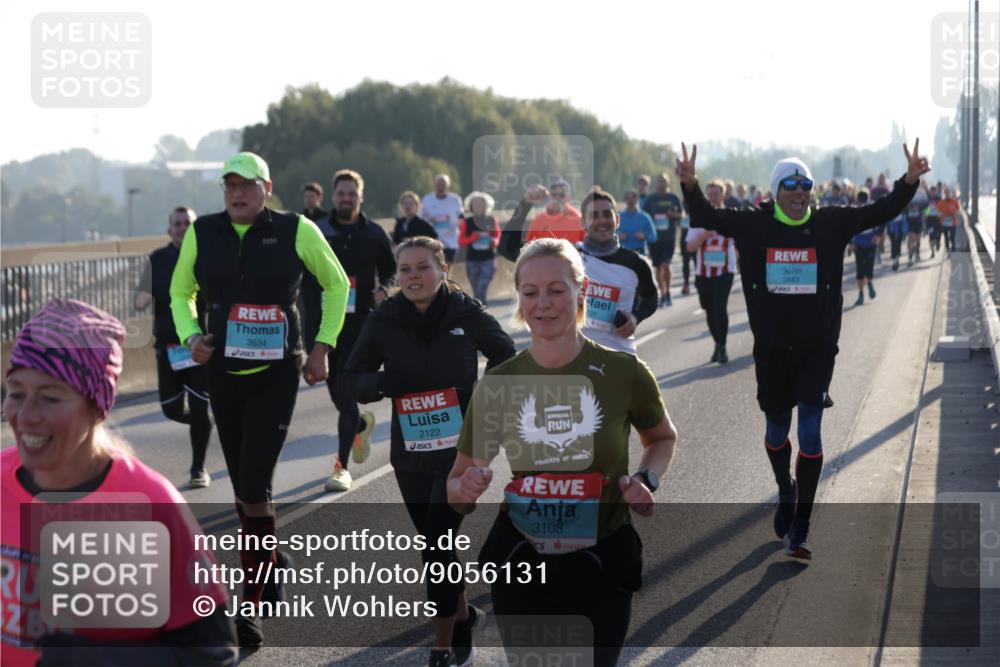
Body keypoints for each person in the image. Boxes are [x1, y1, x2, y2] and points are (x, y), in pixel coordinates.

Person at [676, 139, 928, 559]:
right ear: (775, 191)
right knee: (777, 431)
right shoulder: (754, 225)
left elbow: (880, 211)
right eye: (790, 186)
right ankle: (785, 489)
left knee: (810, 432)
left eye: (805, 185)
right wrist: (690, 185)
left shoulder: (830, 223)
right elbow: (705, 216)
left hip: (817, 347)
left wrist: (908, 181)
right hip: (773, 349)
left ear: (812, 191)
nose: (798, 193)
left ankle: (803, 524)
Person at [447, 238, 678, 667]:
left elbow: (661, 438)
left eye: (556, 290)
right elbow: (456, 489)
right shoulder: (498, 383)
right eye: (530, 292)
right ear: (519, 299)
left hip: (603, 559)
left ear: (582, 290)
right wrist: (467, 487)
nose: (543, 303)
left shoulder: (624, 371)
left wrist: (646, 479)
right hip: (523, 560)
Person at [170, 152, 350, 648]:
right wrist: (190, 335)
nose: (236, 193)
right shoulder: (203, 232)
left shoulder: (296, 230)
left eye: (246, 185)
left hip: (276, 373)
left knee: (252, 483)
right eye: (229, 185)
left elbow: (335, 283)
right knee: (247, 486)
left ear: (266, 189)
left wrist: (323, 345)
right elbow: (180, 293)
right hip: (224, 373)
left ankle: (249, 605)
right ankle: (270, 561)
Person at [1, 299, 236, 666]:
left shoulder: (151, 505)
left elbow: (213, 653)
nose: (27, 415)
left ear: (97, 406)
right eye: (16, 393)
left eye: (49, 397)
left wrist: (93, 660)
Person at [346, 236, 516, 667]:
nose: (414, 276)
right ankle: (464, 615)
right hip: (411, 452)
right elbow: (354, 378)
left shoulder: (466, 312)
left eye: (423, 267)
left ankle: (445, 645)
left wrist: (478, 399)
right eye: (405, 269)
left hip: (462, 448)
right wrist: (385, 383)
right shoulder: (384, 318)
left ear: (443, 269)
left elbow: (505, 356)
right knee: (435, 543)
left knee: (437, 543)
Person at [312, 169, 397, 492]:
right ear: (333, 197)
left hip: (360, 326)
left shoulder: (374, 233)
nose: (346, 199)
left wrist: (384, 290)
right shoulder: (319, 231)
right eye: (341, 194)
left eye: (351, 193)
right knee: (337, 395)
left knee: (346, 396)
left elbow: (392, 272)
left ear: (361, 197)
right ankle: (361, 424)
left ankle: (341, 467)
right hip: (324, 326)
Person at [134, 206, 214, 488]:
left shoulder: (206, 257)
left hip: (198, 345)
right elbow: (140, 299)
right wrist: (142, 297)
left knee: (199, 405)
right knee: (171, 409)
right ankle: (203, 424)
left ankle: (198, 469)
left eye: (187, 223)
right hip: (168, 347)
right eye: (177, 224)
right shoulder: (158, 258)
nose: (182, 228)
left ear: (195, 228)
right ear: (170, 230)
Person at [578, 187, 659, 355]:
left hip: (619, 356)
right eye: (594, 215)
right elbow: (516, 251)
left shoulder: (636, 263)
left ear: (617, 220)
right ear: (583, 222)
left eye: (607, 214)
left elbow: (651, 298)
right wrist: (527, 203)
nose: (602, 221)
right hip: (575, 356)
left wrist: (635, 317)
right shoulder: (568, 257)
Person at [685, 180, 737, 363]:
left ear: (723, 196)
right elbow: (689, 247)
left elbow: (740, 242)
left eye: (716, 194)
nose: (713, 197)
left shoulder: (730, 216)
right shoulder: (698, 218)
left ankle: (722, 347)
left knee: (719, 307)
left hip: (725, 271)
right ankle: (718, 343)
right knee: (708, 309)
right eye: (710, 194)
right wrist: (704, 236)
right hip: (703, 272)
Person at [642, 173, 684, 306]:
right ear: (656, 183)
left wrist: (674, 215)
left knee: (666, 265)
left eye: (664, 181)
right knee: (659, 267)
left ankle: (668, 291)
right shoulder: (651, 199)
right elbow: (644, 216)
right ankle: (663, 293)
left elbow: (681, 215)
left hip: (669, 237)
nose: (662, 183)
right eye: (660, 181)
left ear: (668, 183)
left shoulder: (673, 198)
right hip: (655, 238)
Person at [457, 191, 501, 306]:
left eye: (481, 203)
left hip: (488, 259)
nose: (478, 206)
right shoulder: (466, 222)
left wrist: (494, 242)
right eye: (475, 203)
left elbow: (497, 236)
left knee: (482, 287)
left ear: (486, 205)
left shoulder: (491, 219)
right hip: (472, 260)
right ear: (471, 206)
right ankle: (479, 309)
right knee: (476, 290)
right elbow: (461, 241)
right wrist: (473, 238)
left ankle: (482, 308)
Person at [421, 174, 464, 264]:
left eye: (443, 184)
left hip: (451, 239)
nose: (440, 187)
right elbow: (421, 218)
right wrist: (430, 220)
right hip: (433, 239)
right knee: (435, 265)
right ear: (434, 185)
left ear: (448, 186)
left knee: (447, 266)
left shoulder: (455, 199)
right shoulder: (427, 200)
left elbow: (461, 217)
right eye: (438, 184)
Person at [849, 190, 881, 305]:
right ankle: (861, 295)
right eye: (860, 202)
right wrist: (851, 243)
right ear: (857, 201)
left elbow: (881, 221)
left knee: (869, 269)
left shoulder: (873, 209)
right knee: (860, 271)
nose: (862, 205)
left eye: (864, 202)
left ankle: (870, 284)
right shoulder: (853, 210)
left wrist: (878, 235)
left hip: (871, 244)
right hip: (858, 245)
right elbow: (848, 227)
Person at [617, 189, 657, 255]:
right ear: (625, 200)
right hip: (623, 252)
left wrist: (644, 236)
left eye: (633, 198)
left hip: (640, 252)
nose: (630, 201)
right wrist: (617, 236)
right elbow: (610, 234)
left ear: (638, 199)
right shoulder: (619, 216)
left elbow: (653, 237)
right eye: (628, 198)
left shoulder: (645, 217)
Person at [936, 186, 960, 252]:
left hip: (953, 222)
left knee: (952, 236)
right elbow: (938, 213)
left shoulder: (954, 202)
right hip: (944, 223)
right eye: (945, 193)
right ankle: (947, 249)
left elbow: (958, 211)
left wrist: (955, 214)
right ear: (944, 194)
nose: (947, 194)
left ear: (949, 193)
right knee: (946, 237)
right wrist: (942, 214)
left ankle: (953, 247)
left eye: (948, 193)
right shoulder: (940, 203)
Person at [904, 198, 924, 266]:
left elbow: (926, 209)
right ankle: (910, 257)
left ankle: (917, 252)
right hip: (910, 225)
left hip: (918, 224)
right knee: (911, 240)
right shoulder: (906, 205)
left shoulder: (920, 202)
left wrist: (925, 217)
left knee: (918, 241)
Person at [924, 185, 942, 258]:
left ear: (936, 192)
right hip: (930, 220)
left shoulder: (939, 199)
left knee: (938, 234)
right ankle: (932, 252)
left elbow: (942, 207)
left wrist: (940, 213)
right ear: (930, 192)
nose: (933, 193)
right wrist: (925, 215)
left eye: (934, 192)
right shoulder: (927, 199)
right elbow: (925, 208)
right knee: (931, 236)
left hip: (937, 219)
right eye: (932, 192)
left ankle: (938, 242)